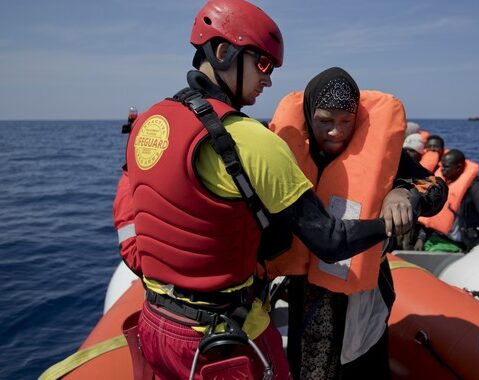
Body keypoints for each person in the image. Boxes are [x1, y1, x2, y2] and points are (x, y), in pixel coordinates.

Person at [115, 2, 415, 379]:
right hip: (223, 338)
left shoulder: (147, 123)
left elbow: (129, 217)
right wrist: (388, 224)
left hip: (155, 324)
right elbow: (331, 241)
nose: (269, 80)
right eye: (262, 65)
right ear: (223, 52)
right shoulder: (251, 140)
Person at [266, 67, 448, 379]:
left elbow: (434, 186)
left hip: (364, 289)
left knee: (364, 365)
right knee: (306, 366)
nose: (335, 131)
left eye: (345, 122)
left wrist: (403, 194)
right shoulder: (287, 151)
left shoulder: (383, 156)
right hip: (305, 287)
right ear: (309, 116)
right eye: (325, 121)